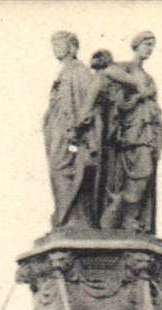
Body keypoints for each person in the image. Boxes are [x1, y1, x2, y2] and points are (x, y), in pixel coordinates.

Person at [98, 31, 162, 233]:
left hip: (148, 131)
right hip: (132, 133)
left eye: (152, 45)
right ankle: (120, 214)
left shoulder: (149, 78)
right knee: (140, 174)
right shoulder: (126, 68)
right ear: (136, 45)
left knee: (144, 176)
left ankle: (129, 217)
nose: (149, 49)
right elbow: (108, 73)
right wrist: (136, 89)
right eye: (146, 44)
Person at [43, 31, 104, 230]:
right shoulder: (63, 72)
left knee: (67, 170)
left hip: (71, 133)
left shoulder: (78, 71)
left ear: (72, 47)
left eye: (60, 44)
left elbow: (91, 100)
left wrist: (79, 126)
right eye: (54, 45)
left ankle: (73, 218)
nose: (56, 49)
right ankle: (65, 216)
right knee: (57, 171)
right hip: (57, 131)